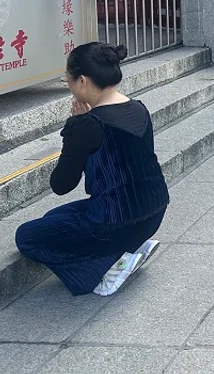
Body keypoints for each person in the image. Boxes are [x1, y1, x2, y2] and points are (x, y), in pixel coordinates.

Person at [15, 43, 169, 297]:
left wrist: (74, 128)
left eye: (68, 81)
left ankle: (104, 268)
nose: (69, 86)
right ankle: (129, 248)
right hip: (153, 214)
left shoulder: (88, 124)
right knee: (52, 218)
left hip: (113, 224)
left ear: (83, 81)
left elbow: (61, 185)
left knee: (27, 237)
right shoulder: (138, 108)